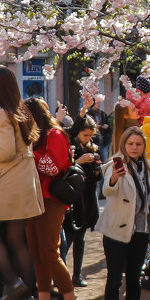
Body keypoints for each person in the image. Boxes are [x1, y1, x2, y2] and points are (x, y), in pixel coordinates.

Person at [0, 66, 44, 300]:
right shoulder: (21, 111)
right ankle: (26, 293)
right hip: (24, 181)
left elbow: (5, 151)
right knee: (16, 238)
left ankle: (15, 282)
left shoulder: (1, 114)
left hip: (8, 181)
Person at [100, 126, 150, 300]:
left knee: (135, 279)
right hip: (117, 230)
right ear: (123, 145)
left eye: (138, 144)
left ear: (144, 146)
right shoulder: (115, 164)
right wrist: (114, 178)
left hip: (141, 230)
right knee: (114, 279)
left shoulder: (148, 168)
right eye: (130, 144)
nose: (134, 148)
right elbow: (107, 190)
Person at [23, 98, 81, 300]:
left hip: (51, 199)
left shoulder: (55, 135)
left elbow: (52, 167)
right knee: (37, 252)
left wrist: (27, 152)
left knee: (49, 252)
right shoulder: (35, 138)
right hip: (33, 198)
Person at [65, 116, 103, 288]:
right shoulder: (71, 148)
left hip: (87, 198)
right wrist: (78, 161)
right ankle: (61, 275)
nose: (88, 139)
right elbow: (65, 171)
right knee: (68, 238)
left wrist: (97, 168)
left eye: (90, 136)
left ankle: (77, 274)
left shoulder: (94, 149)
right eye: (85, 135)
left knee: (80, 237)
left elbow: (98, 177)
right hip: (74, 199)